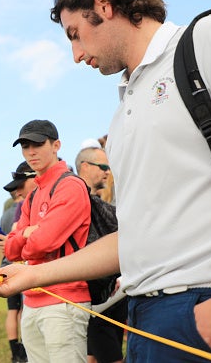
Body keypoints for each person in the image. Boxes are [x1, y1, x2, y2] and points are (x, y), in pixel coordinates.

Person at [0, 0, 211, 361]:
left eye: (74, 34)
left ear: (104, 3)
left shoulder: (206, 40)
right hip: (145, 318)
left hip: (203, 305)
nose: (75, 55)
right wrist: (31, 274)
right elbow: (134, 240)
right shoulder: (122, 114)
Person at [4, 120, 91, 363]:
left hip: (64, 298)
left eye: (37, 144)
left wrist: (28, 239)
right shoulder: (33, 195)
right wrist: (25, 234)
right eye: (25, 146)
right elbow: (11, 251)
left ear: (56, 145)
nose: (31, 151)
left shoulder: (70, 185)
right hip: (32, 299)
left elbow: (44, 243)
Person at [76, 147, 126, 363]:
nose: (107, 172)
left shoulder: (98, 205)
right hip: (93, 297)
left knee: (93, 356)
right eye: (104, 167)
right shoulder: (75, 201)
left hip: (110, 294)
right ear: (85, 167)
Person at [0, 161, 37, 363]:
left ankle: (16, 352)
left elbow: (12, 239)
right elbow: (14, 242)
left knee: (13, 311)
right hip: (20, 266)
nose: (18, 194)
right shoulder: (22, 207)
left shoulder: (12, 211)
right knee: (20, 310)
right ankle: (21, 349)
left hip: (13, 264)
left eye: (21, 187)